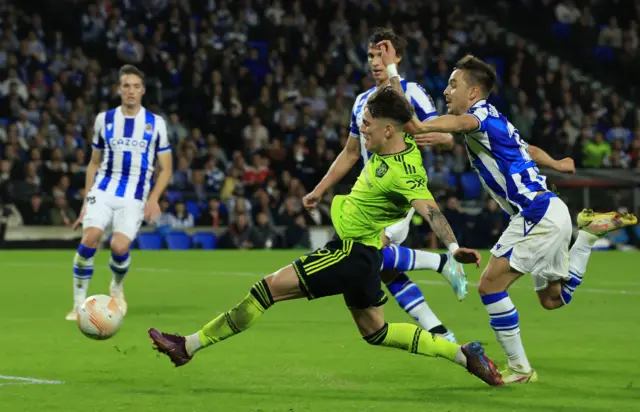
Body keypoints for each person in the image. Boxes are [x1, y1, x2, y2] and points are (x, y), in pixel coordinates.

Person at [148, 88, 503, 387]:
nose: (361, 128)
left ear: (390, 130)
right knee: (376, 332)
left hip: (348, 252)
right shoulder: (403, 139)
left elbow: (431, 210)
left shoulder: (404, 176)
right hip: (363, 257)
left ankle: (188, 346)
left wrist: (454, 246)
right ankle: (463, 354)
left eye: (368, 123)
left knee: (265, 290)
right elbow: (408, 113)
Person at [407, 54, 638, 383]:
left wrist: (418, 125)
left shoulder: (479, 116)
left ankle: (520, 369)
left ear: (473, 93)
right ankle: (586, 238)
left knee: (489, 285)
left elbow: (460, 125)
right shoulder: (496, 120)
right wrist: (557, 164)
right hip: (547, 209)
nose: (446, 91)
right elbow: (525, 148)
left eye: (453, 84)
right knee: (552, 300)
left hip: (536, 214)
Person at [307, 27, 466, 343]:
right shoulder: (362, 102)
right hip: (370, 193)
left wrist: (445, 140)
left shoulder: (413, 92)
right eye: (370, 56)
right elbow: (352, 152)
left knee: (370, 254)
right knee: (384, 270)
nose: (375, 62)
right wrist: (321, 187)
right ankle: (439, 331)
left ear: (396, 57)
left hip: (397, 191)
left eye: (381, 55)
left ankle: (441, 263)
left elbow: (441, 132)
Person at [66, 64, 173, 320]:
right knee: (90, 238)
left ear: (143, 90)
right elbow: (94, 162)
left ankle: (116, 286)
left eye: (136, 86)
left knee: (119, 245)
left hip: (134, 194)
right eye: (126, 86)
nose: (131, 91)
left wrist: (154, 199)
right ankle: (78, 304)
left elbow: (166, 168)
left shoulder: (155, 124)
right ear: (119, 89)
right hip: (103, 188)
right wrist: (86, 201)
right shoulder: (104, 119)